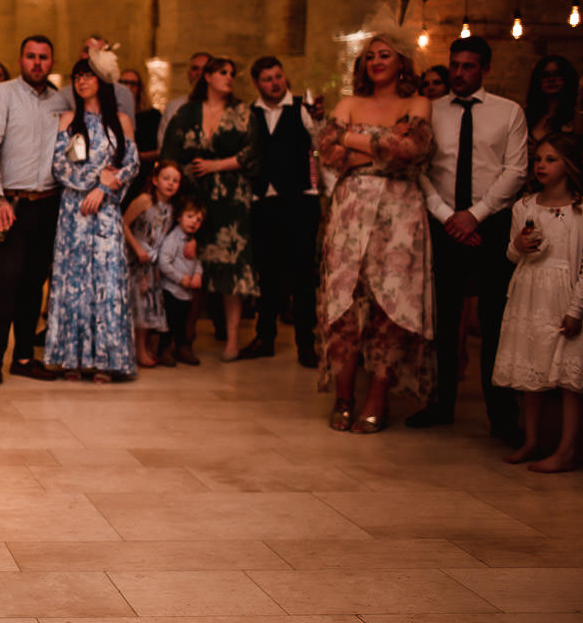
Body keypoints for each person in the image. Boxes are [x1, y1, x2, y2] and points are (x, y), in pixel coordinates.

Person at [317, 34, 435, 433]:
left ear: (402, 62)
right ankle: (344, 395)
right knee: (345, 304)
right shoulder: (350, 102)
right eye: (369, 57)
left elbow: (412, 150)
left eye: (384, 55)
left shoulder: (417, 103)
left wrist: (352, 137)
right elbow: (327, 150)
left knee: (391, 307)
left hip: (399, 212)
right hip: (351, 208)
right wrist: (385, 142)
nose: (376, 62)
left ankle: (378, 398)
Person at [412, 35, 527, 442]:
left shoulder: (508, 112)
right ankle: (439, 403)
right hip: (442, 223)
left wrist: (474, 216)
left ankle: (502, 414)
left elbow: (514, 171)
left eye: (467, 66)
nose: (458, 73)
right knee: (442, 317)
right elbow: (419, 166)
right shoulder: (430, 111)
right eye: (454, 65)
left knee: (495, 320)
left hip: (490, 224)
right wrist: (448, 217)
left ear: (485, 69)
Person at [0, 35, 73, 389]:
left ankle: (23, 357)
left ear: (51, 62)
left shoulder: (60, 101)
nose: (37, 63)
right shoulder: (3, 94)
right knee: (3, 285)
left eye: (44, 57)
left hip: (47, 204)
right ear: (21, 59)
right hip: (9, 205)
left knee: (34, 284)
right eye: (31, 56)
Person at [493, 134, 583, 472]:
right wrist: (520, 245)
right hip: (530, 293)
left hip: (564, 295)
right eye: (538, 159)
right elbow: (510, 252)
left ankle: (566, 449)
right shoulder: (525, 206)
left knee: (568, 376)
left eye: (551, 159)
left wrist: (577, 308)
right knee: (531, 369)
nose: (541, 165)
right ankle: (531, 440)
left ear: (569, 164)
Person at [160, 56, 261, 361]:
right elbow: (170, 152)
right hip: (194, 197)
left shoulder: (243, 113)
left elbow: (254, 153)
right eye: (222, 73)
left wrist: (217, 164)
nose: (229, 78)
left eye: (232, 73)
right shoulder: (187, 112)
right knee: (189, 263)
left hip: (232, 199)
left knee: (231, 267)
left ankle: (232, 339)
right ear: (207, 77)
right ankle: (183, 337)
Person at [44, 55, 138, 381]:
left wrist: (105, 188)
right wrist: (94, 185)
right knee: (74, 282)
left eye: (88, 76)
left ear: (102, 79)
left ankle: (106, 361)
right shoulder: (69, 118)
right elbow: (61, 166)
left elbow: (131, 164)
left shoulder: (121, 121)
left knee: (106, 282)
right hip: (75, 211)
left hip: (107, 211)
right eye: (77, 76)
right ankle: (71, 358)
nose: (82, 82)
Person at [239, 56, 322, 367]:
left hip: (299, 199)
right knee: (267, 275)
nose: (274, 83)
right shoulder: (250, 113)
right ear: (257, 83)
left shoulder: (303, 107)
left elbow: (319, 143)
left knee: (302, 275)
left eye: (278, 76)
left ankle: (306, 343)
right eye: (267, 79)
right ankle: (265, 337)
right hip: (264, 200)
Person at [123, 161, 183, 368]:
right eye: (166, 179)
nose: (171, 184)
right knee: (138, 303)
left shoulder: (172, 209)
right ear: (155, 180)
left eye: (175, 181)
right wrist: (137, 249)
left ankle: (144, 347)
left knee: (149, 305)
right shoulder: (144, 200)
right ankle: (137, 350)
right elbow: (123, 223)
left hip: (152, 262)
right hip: (135, 258)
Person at [156, 198, 205, 366]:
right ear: (179, 217)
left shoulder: (191, 240)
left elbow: (196, 261)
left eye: (198, 220)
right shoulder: (173, 239)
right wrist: (180, 278)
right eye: (190, 216)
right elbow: (163, 262)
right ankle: (164, 349)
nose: (194, 222)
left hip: (186, 292)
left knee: (183, 321)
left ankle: (182, 347)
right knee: (169, 321)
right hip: (172, 289)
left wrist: (198, 274)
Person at [118, 67, 162, 200]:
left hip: (142, 175)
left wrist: (138, 156)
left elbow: (160, 150)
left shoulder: (152, 116)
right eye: (123, 82)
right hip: (117, 174)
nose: (128, 87)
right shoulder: (113, 114)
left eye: (133, 83)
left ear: (140, 88)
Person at [523, 55, 578, 155]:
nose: (551, 79)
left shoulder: (578, 113)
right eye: (545, 75)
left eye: (557, 74)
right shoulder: (529, 114)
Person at [158, 50, 211, 146]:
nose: (200, 73)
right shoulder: (174, 106)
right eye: (195, 69)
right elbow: (164, 144)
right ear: (188, 74)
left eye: (205, 69)